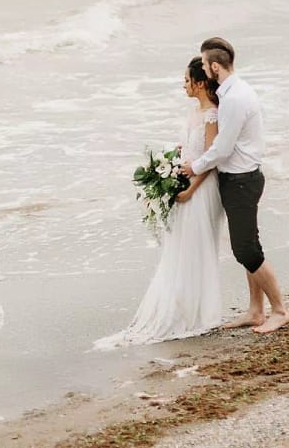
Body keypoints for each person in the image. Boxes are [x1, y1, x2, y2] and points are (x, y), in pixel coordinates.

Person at [95, 58, 225, 348]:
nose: (183, 85)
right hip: (186, 182)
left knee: (196, 247)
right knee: (179, 248)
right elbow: (191, 150)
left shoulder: (212, 114)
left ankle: (198, 312)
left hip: (202, 188)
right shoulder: (194, 112)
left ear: (200, 82)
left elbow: (213, 159)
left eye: (187, 80)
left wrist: (191, 191)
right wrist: (173, 161)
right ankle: (182, 306)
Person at [182, 38, 289, 334]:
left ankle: (280, 310)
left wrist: (193, 167)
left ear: (215, 67)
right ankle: (256, 311)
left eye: (205, 65)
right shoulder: (237, 89)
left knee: (245, 250)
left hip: (241, 181)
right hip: (243, 178)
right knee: (249, 245)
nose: (203, 70)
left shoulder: (233, 99)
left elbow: (222, 149)